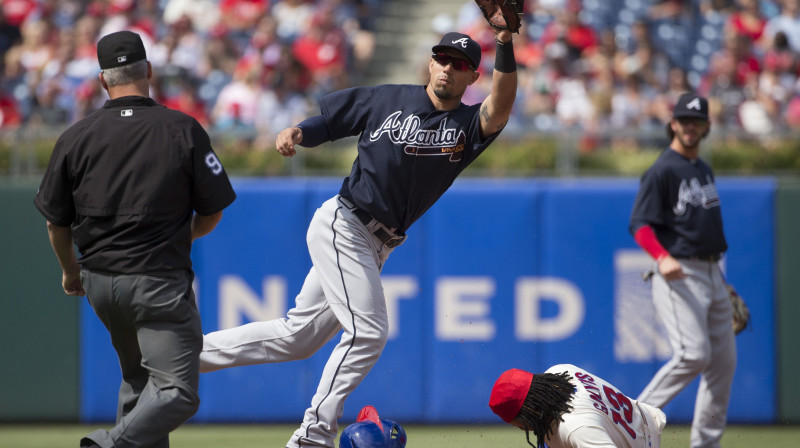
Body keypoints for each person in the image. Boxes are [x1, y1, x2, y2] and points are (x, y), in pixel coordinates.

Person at [199, 21, 518, 448]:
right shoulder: (388, 98)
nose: (447, 68)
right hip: (345, 223)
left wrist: (503, 44)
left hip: (377, 245)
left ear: (472, 76)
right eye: (442, 58)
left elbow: (500, 107)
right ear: (430, 61)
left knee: (298, 337)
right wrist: (299, 132)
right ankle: (312, 436)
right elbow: (330, 122)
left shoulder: (465, 126)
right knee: (368, 332)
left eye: (459, 64)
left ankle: (183, 356)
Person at [33, 30, 236, 448]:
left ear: (103, 80)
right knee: (177, 392)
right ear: (149, 71)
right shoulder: (182, 129)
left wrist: (71, 273)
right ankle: (106, 445)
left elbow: (56, 224)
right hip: (158, 280)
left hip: (101, 284)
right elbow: (213, 210)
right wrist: (184, 235)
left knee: (142, 389)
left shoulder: (76, 136)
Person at [628, 92, 735, 448]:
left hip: (712, 272)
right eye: (684, 121)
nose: (690, 127)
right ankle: (631, 422)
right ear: (673, 124)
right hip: (679, 272)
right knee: (693, 353)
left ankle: (706, 444)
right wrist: (662, 257)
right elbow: (640, 225)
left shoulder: (703, 168)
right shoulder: (663, 169)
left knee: (722, 364)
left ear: (706, 126)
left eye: (696, 121)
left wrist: (719, 279)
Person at [489, 364, 667, 448]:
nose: (518, 427)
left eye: (516, 422)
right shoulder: (561, 371)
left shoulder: (575, 428)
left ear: (528, 411)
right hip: (639, 418)